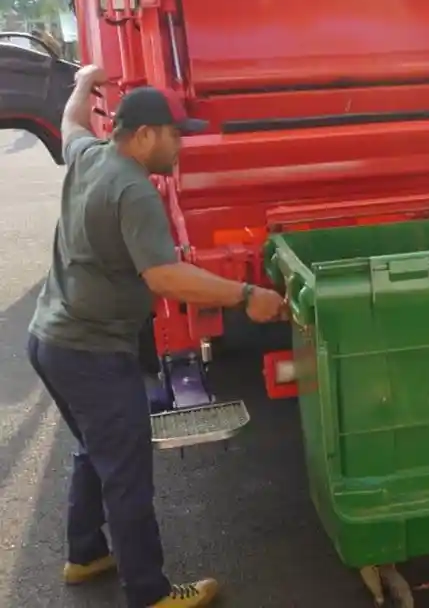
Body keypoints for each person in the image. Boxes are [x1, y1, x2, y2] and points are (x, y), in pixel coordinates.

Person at [27, 66, 288, 608]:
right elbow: (165, 276)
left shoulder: (90, 155)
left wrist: (83, 82)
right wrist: (246, 295)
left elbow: (70, 123)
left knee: (93, 450)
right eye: (175, 133)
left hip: (49, 341)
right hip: (92, 351)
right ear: (144, 135)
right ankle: (150, 593)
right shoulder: (135, 190)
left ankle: (85, 554)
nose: (180, 143)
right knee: (127, 474)